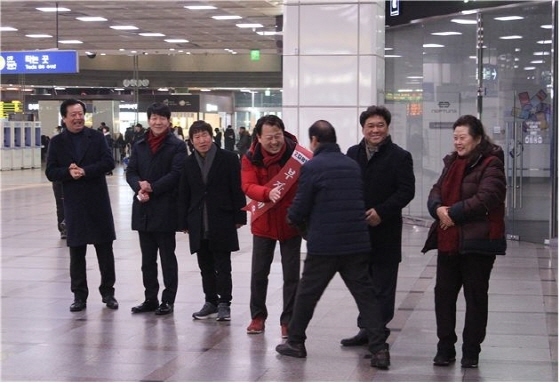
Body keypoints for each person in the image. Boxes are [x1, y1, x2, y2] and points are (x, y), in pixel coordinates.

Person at [274, 120, 387, 368]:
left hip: (324, 245)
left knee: (306, 295)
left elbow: (301, 206)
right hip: (355, 243)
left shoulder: (313, 167)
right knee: (366, 296)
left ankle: (295, 342)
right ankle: (379, 349)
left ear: (314, 140)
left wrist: (293, 218)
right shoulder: (352, 165)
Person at [421, 114, 506, 368]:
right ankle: (445, 347)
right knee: (443, 296)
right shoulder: (451, 163)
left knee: (475, 298)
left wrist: (452, 214)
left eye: (463, 137)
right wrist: (438, 209)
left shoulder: (492, 163)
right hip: (449, 242)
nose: (458, 142)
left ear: (477, 138)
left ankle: (471, 351)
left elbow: (488, 197)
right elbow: (436, 189)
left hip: (477, 244)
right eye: (455, 137)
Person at [341, 105, 415, 366]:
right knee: (363, 284)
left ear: (387, 127)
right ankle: (366, 329)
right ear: (363, 128)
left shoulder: (400, 156)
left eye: (380, 125)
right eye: (370, 126)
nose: (375, 130)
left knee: (383, 287)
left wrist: (381, 212)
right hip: (358, 233)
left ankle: (378, 335)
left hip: (385, 231)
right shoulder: (352, 154)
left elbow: (406, 192)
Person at [45, 98, 118, 312]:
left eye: (80, 114)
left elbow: (108, 162)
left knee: (105, 250)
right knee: (76, 252)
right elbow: (50, 171)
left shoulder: (96, 137)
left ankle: (108, 293)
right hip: (74, 203)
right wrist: (68, 173)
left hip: (98, 202)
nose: (78, 118)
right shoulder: (57, 142)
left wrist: (85, 171)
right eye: (73, 115)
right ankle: (79, 296)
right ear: (64, 118)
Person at [241, 114, 305, 338]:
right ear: (258, 137)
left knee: (291, 276)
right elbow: (248, 185)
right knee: (259, 273)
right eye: (269, 137)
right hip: (264, 223)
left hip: (290, 224)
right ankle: (257, 317)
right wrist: (267, 193)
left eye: (277, 136)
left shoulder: (297, 156)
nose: (274, 141)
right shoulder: (250, 157)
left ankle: (288, 320)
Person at [178, 120, 247, 321]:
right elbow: (184, 193)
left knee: (223, 265)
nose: (202, 140)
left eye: (205, 135)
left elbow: (237, 188)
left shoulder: (229, 158)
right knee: (205, 265)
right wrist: (183, 221)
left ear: (212, 136)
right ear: (191, 141)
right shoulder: (188, 163)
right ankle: (210, 301)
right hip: (198, 220)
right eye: (197, 137)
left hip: (222, 218)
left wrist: (239, 215)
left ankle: (225, 303)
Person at [126, 103, 187, 316]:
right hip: (143, 207)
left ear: (168, 121)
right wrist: (138, 186)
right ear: (148, 120)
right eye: (154, 118)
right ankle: (150, 298)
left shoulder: (177, 146)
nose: (157, 122)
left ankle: (168, 300)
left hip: (165, 208)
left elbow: (177, 173)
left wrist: (153, 187)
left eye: (162, 118)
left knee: (167, 257)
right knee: (147, 259)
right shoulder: (140, 143)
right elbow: (130, 170)